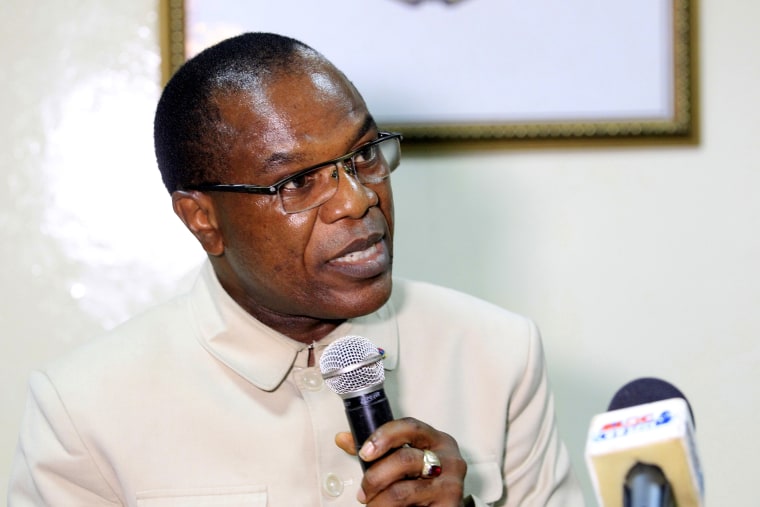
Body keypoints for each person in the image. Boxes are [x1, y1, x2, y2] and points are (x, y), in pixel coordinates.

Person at [8, 33, 583, 506]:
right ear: (202, 219)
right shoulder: (85, 409)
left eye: (362, 156)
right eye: (297, 182)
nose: (357, 200)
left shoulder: (498, 353)